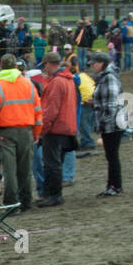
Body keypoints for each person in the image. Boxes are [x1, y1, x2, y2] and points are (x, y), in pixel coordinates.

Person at [0, 53, 43, 213]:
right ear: (16, 66)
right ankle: (26, 202)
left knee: (10, 170)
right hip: (26, 131)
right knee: (25, 169)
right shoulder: (29, 85)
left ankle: (11, 204)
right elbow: (38, 111)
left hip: (6, 133)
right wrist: (36, 133)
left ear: (1, 67)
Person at [35, 51, 77, 208]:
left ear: (47, 64)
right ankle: (52, 194)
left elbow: (51, 110)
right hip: (65, 126)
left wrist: (42, 129)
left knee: (51, 163)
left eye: (44, 65)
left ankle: (54, 195)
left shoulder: (56, 82)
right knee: (55, 162)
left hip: (55, 128)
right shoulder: (68, 80)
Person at [90, 52, 127, 196]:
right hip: (111, 124)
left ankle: (114, 186)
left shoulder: (108, 78)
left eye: (95, 63)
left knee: (112, 156)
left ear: (102, 63)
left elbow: (111, 105)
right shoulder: (105, 78)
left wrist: (103, 123)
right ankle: (113, 185)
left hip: (112, 125)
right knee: (111, 156)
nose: (93, 66)